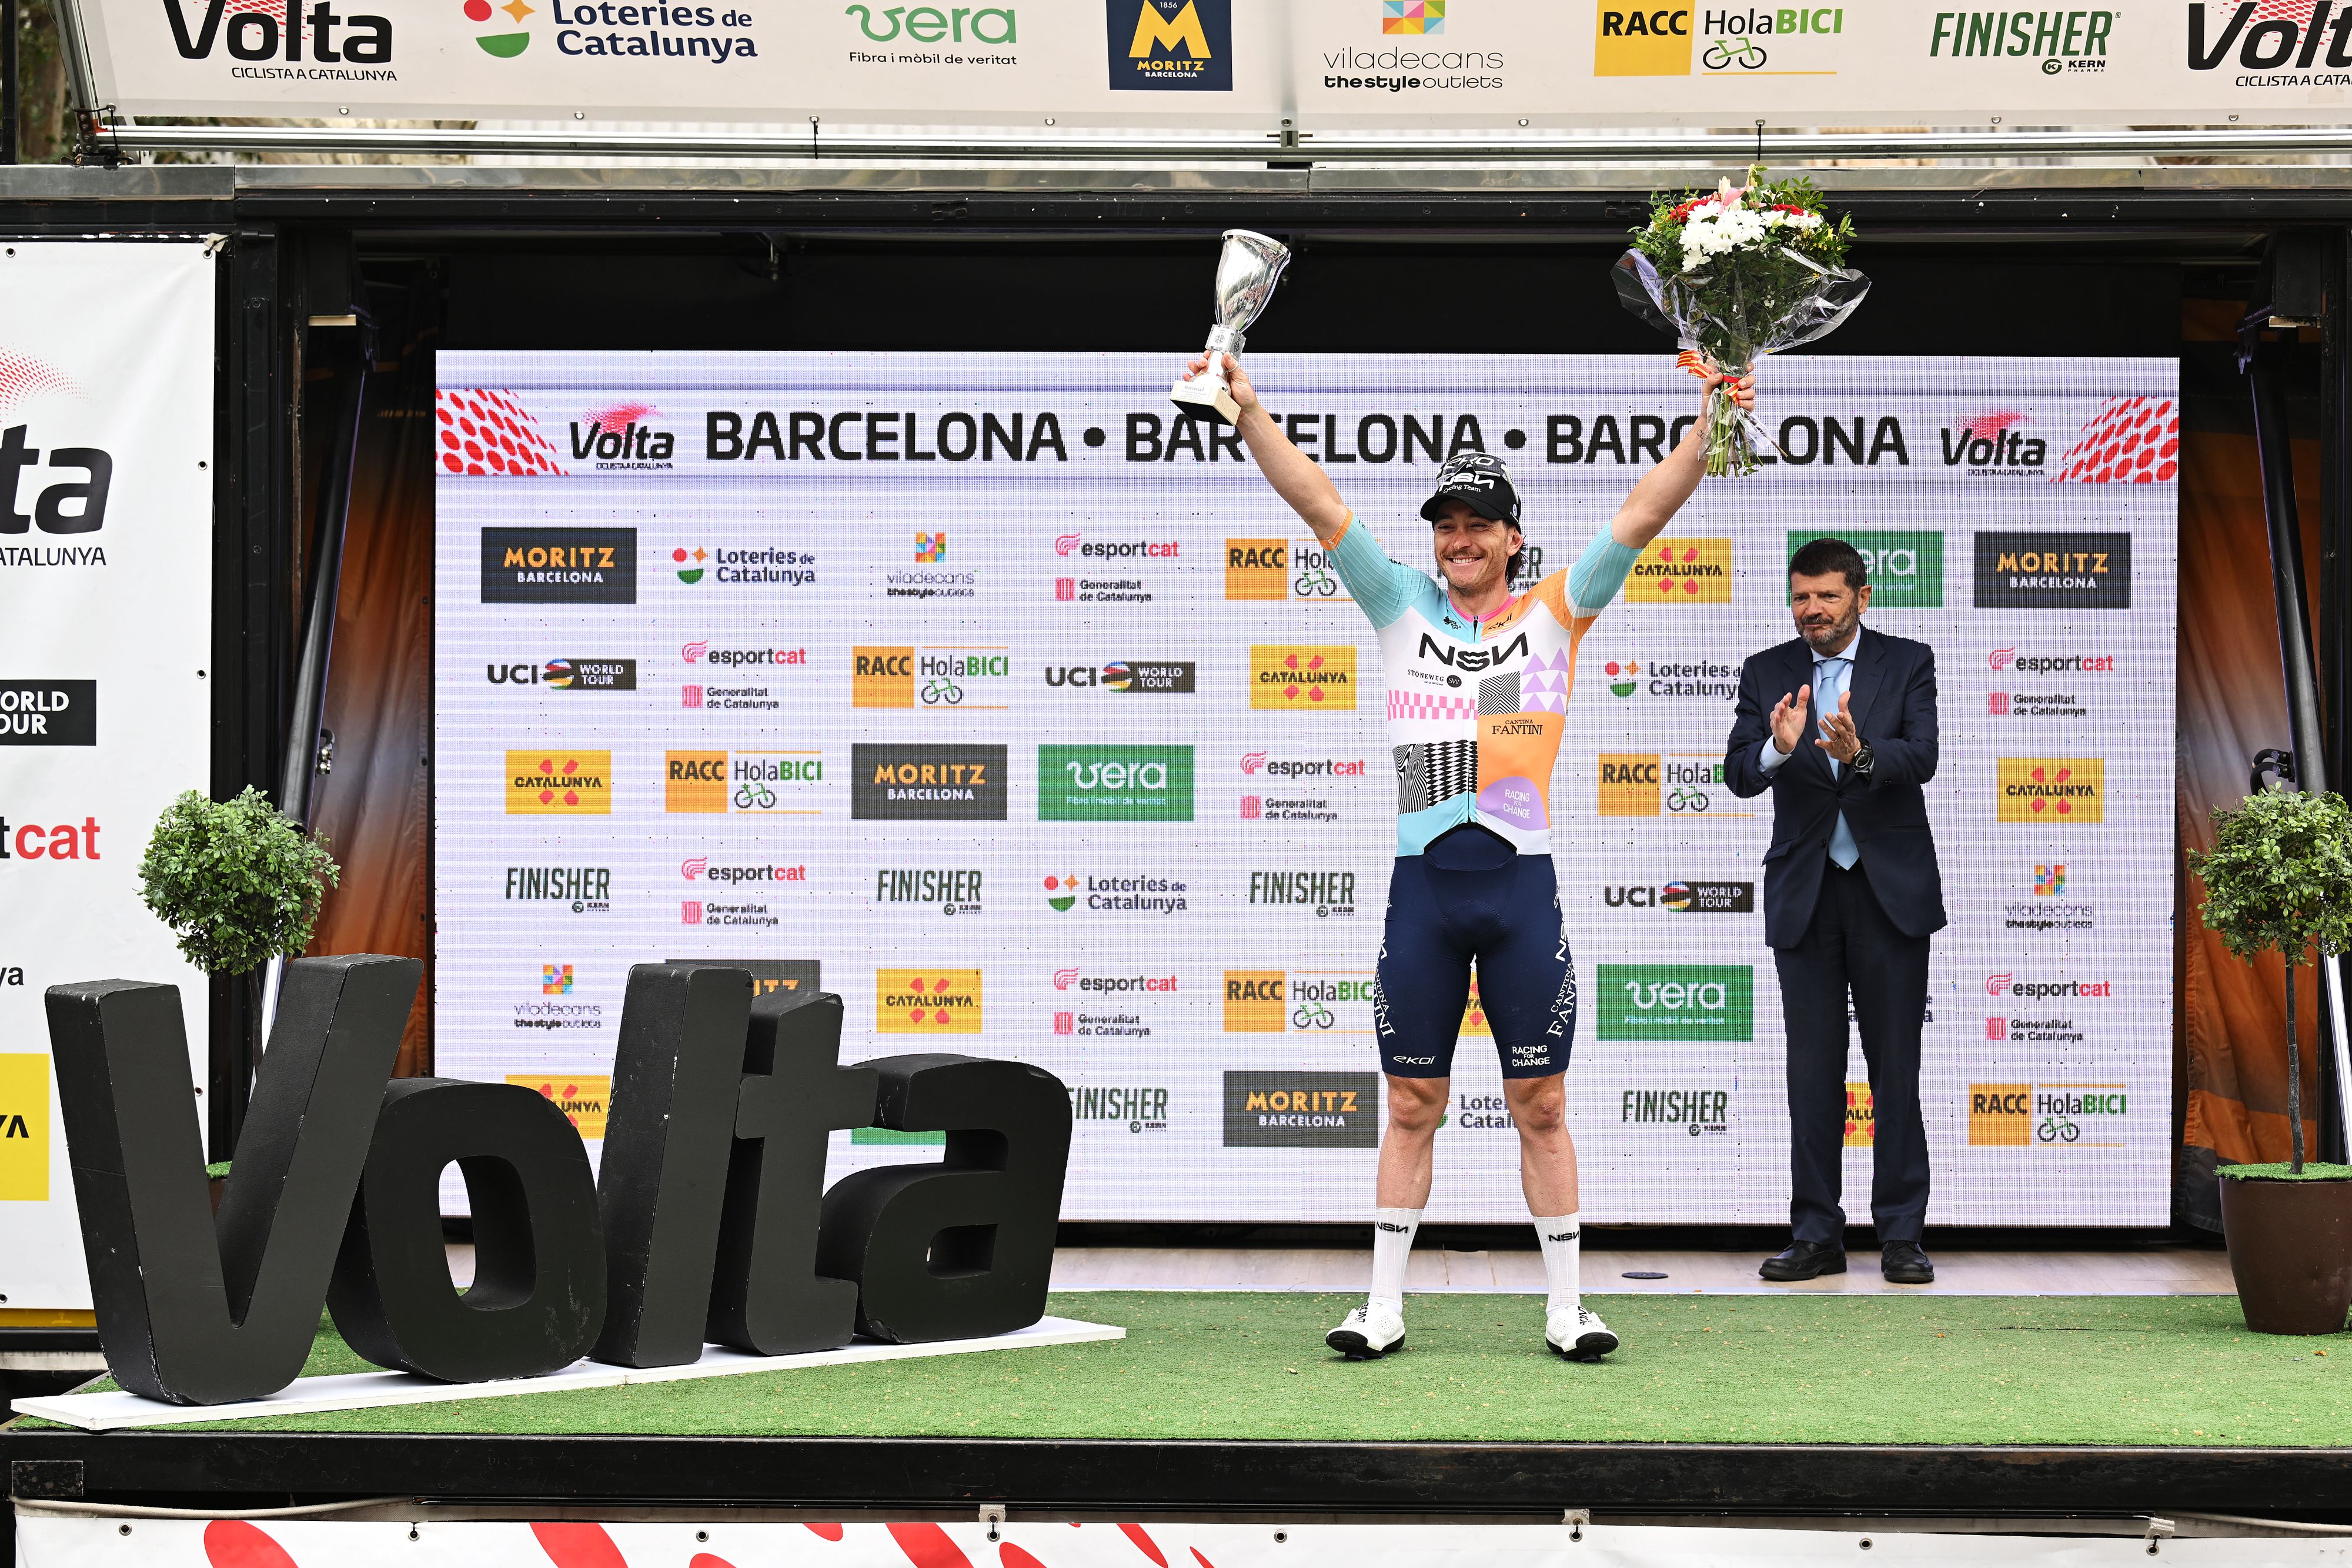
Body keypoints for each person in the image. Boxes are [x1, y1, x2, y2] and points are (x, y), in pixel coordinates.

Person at [1187, 348, 1753, 1361]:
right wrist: (1249, 411)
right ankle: (1383, 1306)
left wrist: (1710, 423)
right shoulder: (1399, 601)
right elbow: (1316, 500)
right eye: (1446, 523)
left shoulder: (1558, 608)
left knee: (1543, 1102)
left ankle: (1568, 1308)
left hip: (1519, 883)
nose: (1459, 538)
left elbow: (1644, 512)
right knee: (1412, 1102)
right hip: (1426, 891)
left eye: (1478, 523)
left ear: (1511, 538)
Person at [1722, 538, 1946, 1285]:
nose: (1811, 610)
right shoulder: (1765, 671)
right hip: (1806, 893)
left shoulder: (1907, 661)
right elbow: (1738, 774)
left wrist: (1860, 755)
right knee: (1812, 1073)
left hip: (1890, 894)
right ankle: (1816, 1234)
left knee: (1895, 1069)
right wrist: (1777, 749)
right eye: (1801, 597)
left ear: (1861, 596)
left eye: (1826, 596)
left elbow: (1922, 757)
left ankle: (1902, 1235)